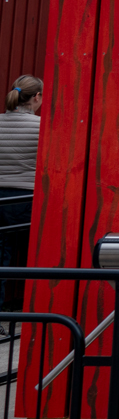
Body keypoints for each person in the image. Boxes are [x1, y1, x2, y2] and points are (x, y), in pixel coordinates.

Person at [0, 76, 43, 318]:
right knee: (35, 258)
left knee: (0, 260)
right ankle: (36, 317)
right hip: (26, 200)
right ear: (36, 97)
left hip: (0, 200)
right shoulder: (42, 128)